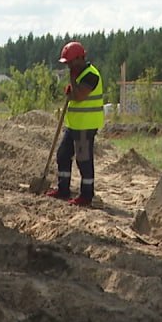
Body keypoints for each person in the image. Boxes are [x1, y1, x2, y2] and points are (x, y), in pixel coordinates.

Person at [45, 41, 104, 207]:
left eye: (70, 62)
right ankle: (63, 189)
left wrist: (73, 83)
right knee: (63, 155)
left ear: (79, 58)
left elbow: (79, 96)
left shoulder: (91, 75)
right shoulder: (79, 74)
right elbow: (75, 95)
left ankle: (86, 195)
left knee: (83, 160)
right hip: (74, 125)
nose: (69, 66)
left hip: (86, 125)